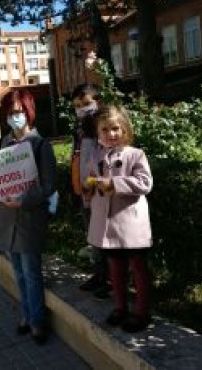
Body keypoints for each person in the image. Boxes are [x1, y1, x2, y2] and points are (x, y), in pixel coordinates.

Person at [0, 88, 57, 345]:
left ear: (28, 112)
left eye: (18, 111)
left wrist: (23, 200)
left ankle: (37, 321)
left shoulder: (40, 145)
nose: (14, 116)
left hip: (29, 219)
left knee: (31, 271)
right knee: (17, 270)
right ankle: (27, 315)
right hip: (7, 219)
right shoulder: (4, 143)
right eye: (10, 112)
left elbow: (48, 186)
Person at [86, 104, 153, 333]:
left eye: (115, 128)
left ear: (124, 129)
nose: (110, 134)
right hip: (109, 223)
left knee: (138, 266)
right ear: (98, 133)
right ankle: (121, 306)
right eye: (104, 130)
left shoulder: (136, 154)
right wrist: (91, 188)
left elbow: (145, 183)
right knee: (115, 266)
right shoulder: (97, 155)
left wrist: (115, 183)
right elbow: (95, 181)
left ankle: (142, 311)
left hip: (131, 224)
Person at [70, 84, 111, 300]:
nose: (82, 109)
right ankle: (98, 275)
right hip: (84, 190)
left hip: (98, 190)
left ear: (99, 102)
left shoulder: (103, 128)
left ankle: (108, 279)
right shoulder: (80, 129)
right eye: (77, 106)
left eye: (86, 104)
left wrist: (92, 184)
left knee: (104, 236)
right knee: (92, 236)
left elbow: (103, 160)